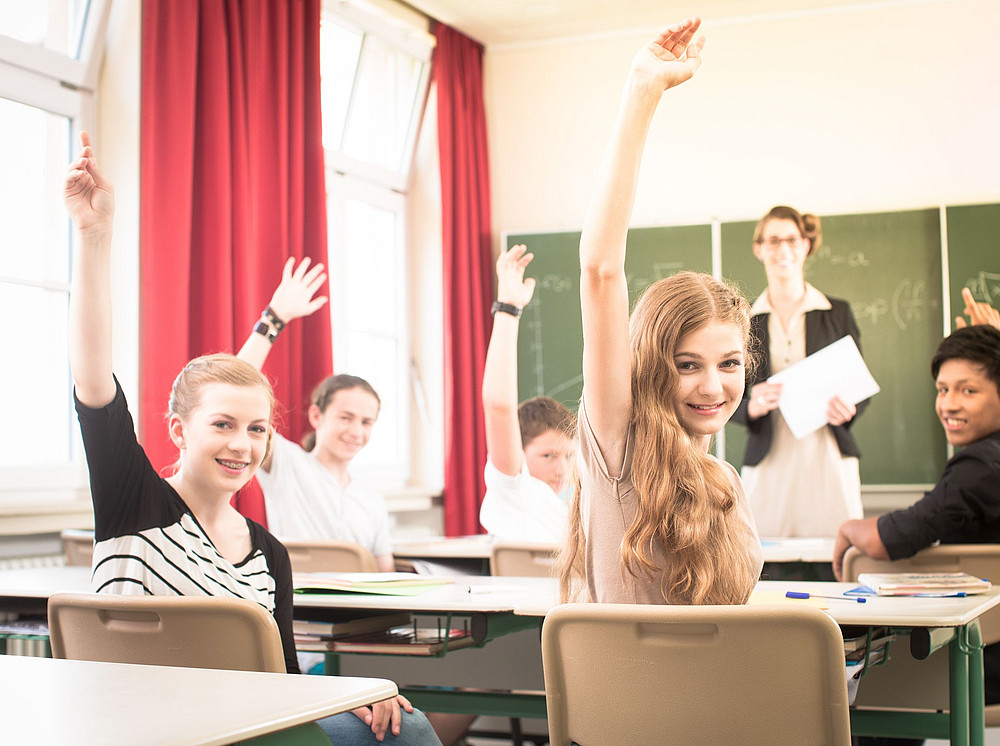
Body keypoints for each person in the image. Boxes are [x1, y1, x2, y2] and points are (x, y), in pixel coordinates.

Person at [64, 132, 440, 746]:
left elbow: (288, 681)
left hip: (251, 729)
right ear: (178, 431)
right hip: (145, 728)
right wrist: (93, 235)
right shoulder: (132, 501)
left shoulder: (269, 554)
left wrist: (361, 694)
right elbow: (92, 373)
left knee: (399, 720)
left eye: (257, 429)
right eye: (222, 425)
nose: (242, 444)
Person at [558, 17, 763, 607]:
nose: (712, 386)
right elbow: (599, 269)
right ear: (650, 363)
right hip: (641, 702)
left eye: (728, 364)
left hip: (725, 692)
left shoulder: (726, 481)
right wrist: (643, 92)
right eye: (687, 364)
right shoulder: (621, 448)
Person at [833, 323, 1000, 724]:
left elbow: (893, 537)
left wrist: (848, 529)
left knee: (866, 679)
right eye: (943, 390)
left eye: (968, 390)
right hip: (983, 648)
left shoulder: (981, 466)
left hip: (982, 657)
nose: (949, 404)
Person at [237, 265, 394, 573]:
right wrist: (275, 317)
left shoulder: (371, 499)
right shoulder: (286, 463)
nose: (355, 431)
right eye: (345, 417)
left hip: (359, 616)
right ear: (316, 415)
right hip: (299, 609)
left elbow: (385, 576)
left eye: (366, 422)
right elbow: (236, 389)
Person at [730, 205, 869, 539]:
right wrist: (751, 405)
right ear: (758, 249)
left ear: (805, 246)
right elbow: (723, 390)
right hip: (771, 457)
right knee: (764, 561)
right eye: (773, 240)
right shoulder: (743, 318)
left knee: (835, 558)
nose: (783, 249)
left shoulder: (836, 312)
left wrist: (849, 409)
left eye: (791, 240)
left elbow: (859, 384)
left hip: (828, 457)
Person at [478, 243, 576, 543]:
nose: (561, 468)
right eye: (548, 455)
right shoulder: (514, 490)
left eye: (569, 456)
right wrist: (508, 308)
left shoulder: (570, 507)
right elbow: (499, 407)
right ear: (518, 453)